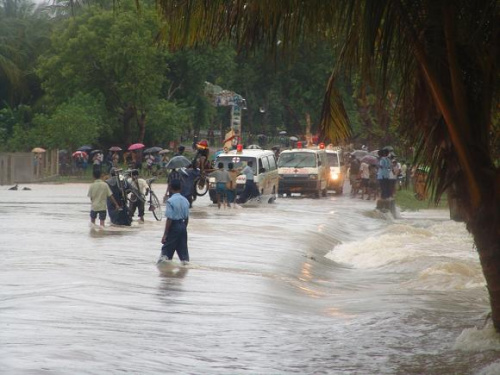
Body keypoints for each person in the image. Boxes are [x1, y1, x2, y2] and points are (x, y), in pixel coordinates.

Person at [158, 179, 190, 265]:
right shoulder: (185, 200)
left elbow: (169, 219)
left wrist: (165, 234)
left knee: (165, 255)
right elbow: (187, 218)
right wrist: (183, 228)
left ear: (170, 188)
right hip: (183, 226)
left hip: (174, 226)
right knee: (184, 256)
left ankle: (164, 273)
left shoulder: (170, 201)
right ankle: (183, 273)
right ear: (181, 188)